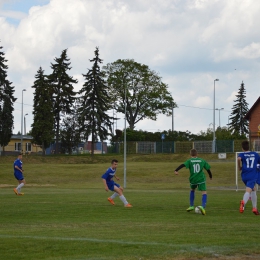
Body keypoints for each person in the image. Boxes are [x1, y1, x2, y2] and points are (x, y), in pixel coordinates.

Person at [174, 148, 212, 215]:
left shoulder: (189, 161)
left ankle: (191, 206)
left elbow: (183, 165)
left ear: (190, 154)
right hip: (201, 179)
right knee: (204, 192)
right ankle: (203, 207)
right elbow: (208, 169)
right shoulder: (202, 160)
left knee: (192, 190)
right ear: (197, 154)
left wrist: (176, 170)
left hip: (193, 179)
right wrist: (210, 176)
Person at [238, 140, 260, 215]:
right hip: (252, 175)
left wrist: (239, 167)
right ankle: (243, 203)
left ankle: (255, 208)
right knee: (248, 191)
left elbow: (238, 159)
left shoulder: (242, 154)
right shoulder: (255, 154)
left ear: (242, 148)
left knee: (253, 189)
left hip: (244, 175)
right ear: (249, 147)